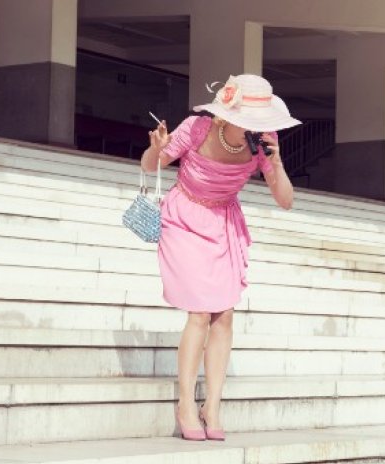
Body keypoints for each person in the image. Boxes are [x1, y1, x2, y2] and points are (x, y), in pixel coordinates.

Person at [139, 74, 300, 441]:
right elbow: (151, 166)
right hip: (184, 217)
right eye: (250, 120)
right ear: (227, 115)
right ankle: (184, 403)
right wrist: (156, 147)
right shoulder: (197, 128)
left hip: (223, 223)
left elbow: (286, 200)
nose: (257, 129)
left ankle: (212, 405)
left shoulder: (263, 146)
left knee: (224, 314)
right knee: (199, 312)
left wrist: (277, 164)